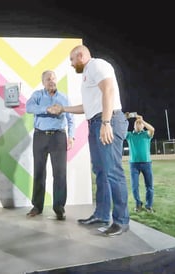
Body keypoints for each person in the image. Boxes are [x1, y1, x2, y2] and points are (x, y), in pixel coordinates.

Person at [50, 45, 130, 236]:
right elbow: (88, 106)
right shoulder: (88, 74)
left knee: (113, 171)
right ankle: (102, 215)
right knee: (101, 171)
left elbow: (108, 90)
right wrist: (63, 109)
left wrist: (106, 122)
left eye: (72, 60)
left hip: (107, 120)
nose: (71, 64)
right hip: (95, 121)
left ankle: (121, 221)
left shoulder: (96, 65)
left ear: (81, 55)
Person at [25, 70, 75, 221]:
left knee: (59, 173)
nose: (51, 81)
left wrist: (71, 136)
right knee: (39, 171)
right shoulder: (37, 95)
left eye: (53, 78)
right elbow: (29, 108)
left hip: (59, 136)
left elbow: (70, 118)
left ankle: (59, 207)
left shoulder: (63, 97)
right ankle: (37, 206)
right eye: (48, 79)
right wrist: (46, 109)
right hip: (40, 136)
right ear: (43, 82)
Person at [125, 114, 155, 213]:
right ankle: (138, 203)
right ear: (133, 126)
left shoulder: (146, 134)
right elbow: (120, 131)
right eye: (136, 123)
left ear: (142, 126)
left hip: (146, 163)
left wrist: (142, 121)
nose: (138, 125)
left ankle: (148, 205)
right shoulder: (129, 135)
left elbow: (152, 129)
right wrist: (125, 119)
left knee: (149, 186)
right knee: (134, 186)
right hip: (134, 164)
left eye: (140, 124)